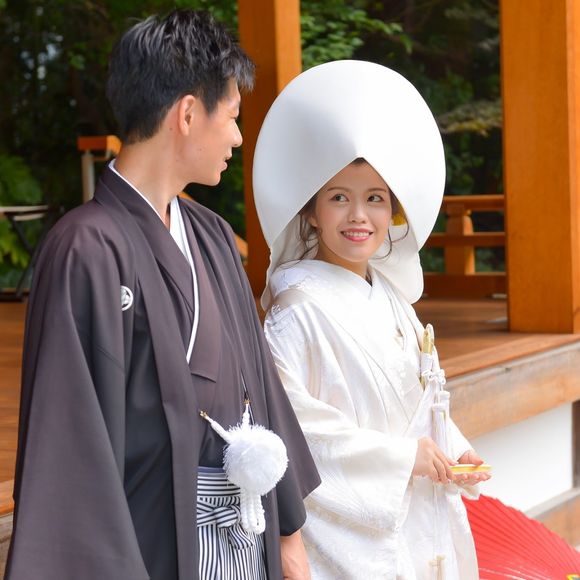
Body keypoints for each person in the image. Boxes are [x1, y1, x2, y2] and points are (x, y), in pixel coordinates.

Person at [6, 10, 319, 580]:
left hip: (244, 536)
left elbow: (259, 384)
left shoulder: (213, 235)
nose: (237, 137)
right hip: (150, 544)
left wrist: (288, 532)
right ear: (188, 114)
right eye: (232, 116)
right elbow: (69, 438)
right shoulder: (86, 249)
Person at [252, 60, 490, 579]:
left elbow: (419, 402)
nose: (359, 216)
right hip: (349, 538)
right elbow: (295, 429)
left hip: (419, 514)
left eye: (375, 199)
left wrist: (455, 449)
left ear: (393, 212)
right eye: (339, 197)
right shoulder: (296, 313)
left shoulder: (392, 298)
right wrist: (401, 458)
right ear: (311, 210)